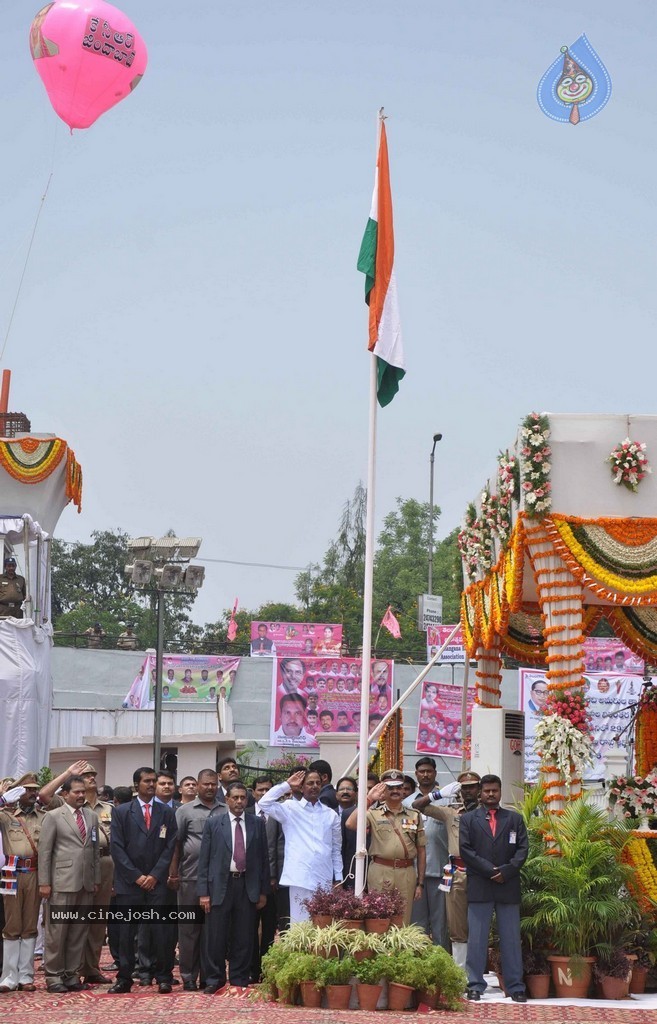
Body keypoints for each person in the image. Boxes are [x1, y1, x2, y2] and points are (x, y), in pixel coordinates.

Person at [39, 761, 114, 985]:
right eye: (77, 792)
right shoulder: (54, 815)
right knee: (57, 932)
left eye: (83, 792)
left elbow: (92, 850)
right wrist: (45, 882)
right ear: (66, 794)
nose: (81, 795)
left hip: (86, 882)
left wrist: (96, 880)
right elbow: (45, 852)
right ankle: (54, 976)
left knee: (78, 931)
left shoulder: (91, 816)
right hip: (61, 882)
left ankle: (71, 974)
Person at [459, 774, 528, 1002]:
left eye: (494, 791)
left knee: (510, 938)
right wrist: (491, 871)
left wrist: (505, 871)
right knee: (477, 939)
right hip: (481, 885)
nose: (490, 794)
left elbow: (522, 850)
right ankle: (475, 986)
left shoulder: (514, 819)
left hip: (507, 885)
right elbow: (467, 851)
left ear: (500, 792)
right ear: (480, 792)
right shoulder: (468, 819)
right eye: (486, 790)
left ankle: (515, 987)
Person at [108, 767, 178, 994]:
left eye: (154, 781)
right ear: (136, 784)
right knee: (127, 932)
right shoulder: (121, 812)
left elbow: (170, 846)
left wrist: (155, 875)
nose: (151, 784)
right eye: (147, 781)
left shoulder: (165, 812)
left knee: (161, 930)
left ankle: (164, 976)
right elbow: (116, 848)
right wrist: (136, 876)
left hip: (156, 882)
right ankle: (125, 977)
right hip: (130, 883)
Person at [197, 782, 270, 995]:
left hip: (247, 886)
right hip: (220, 886)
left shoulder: (257, 824)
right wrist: (203, 892)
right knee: (216, 936)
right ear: (227, 799)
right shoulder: (214, 823)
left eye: (242, 798)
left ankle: (239, 977)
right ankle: (214, 978)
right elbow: (204, 861)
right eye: (235, 797)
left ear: (247, 800)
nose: (239, 801)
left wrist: (263, 891)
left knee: (244, 935)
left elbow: (263, 859)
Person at [412, 770, 482, 968]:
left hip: (481, 873)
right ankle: (461, 972)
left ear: (479, 789)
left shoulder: (487, 813)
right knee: (456, 924)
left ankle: (477, 972)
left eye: (472, 787)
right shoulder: (451, 813)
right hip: (457, 872)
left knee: (480, 922)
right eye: (463, 788)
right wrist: (439, 794)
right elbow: (417, 806)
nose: (467, 791)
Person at [258, 769, 342, 923]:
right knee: (300, 927)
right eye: (310, 783)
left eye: (317, 783)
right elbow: (264, 803)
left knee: (322, 927)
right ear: (301, 787)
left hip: (323, 877)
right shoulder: (290, 808)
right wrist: (286, 785)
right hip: (299, 878)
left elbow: (336, 850)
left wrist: (338, 879)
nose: (314, 786)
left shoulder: (331, 815)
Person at [346, 769, 426, 926]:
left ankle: (400, 951)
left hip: (406, 872)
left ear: (404, 789)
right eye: (390, 787)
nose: (395, 791)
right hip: (380, 870)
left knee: (403, 919)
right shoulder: (373, 813)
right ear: (383, 789)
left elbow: (421, 850)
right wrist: (369, 799)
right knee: (379, 918)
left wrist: (420, 883)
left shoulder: (414, 815)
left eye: (398, 787)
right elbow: (351, 823)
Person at [169, 769, 224, 991]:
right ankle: (189, 976)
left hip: (218, 881)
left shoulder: (226, 810)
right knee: (189, 930)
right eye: (206, 784)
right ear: (198, 785)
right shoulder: (184, 811)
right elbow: (176, 844)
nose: (210, 788)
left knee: (213, 932)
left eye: (213, 784)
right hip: (190, 878)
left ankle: (209, 976)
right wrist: (173, 873)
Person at [0, 774, 49, 992]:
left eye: (34, 789)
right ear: (17, 792)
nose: (31, 793)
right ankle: (9, 976)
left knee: (30, 924)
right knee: (12, 924)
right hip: (11, 872)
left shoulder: (44, 816)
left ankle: (26, 976)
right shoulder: (5, 816)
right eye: (26, 789)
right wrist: (3, 800)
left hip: (35, 872)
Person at [250, 777, 278, 982]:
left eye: (268, 789)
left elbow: (279, 848)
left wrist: (273, 876)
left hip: (273, 882)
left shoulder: (278, 814)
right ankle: (251, 969)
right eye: (260, 790)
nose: (264, 793)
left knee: (269, 930)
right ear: (253, 792)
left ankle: (266, 969)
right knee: (248, 928)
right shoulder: (245, 813)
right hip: (249, 881)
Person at [335, 776, 358, 888]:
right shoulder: (327, 814)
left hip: (354, 869)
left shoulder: (364, 814)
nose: (345, 792)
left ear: (356, 793)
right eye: (341, 789)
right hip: (333, 870)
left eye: (349, 789)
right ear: (336, 794)